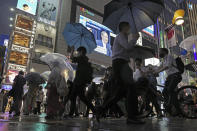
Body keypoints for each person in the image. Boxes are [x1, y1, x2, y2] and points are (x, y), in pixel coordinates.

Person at [96, 22, 144, 124]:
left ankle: (101, 109)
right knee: (131, 88)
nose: (130, 29)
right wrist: (135, 38)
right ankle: (132, 116)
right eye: (128, 27)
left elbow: (127, 51)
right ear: (124, 27)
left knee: (120, 93)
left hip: (120, 63)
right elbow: (127, 47)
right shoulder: (121, 36)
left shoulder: (123, 37)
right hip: (120, 63)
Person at [68, 47, 95, 117]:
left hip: (78, 81)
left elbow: (72, 59)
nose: (77, 53)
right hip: (81, 81)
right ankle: (94, 110)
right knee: (78, 97)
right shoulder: (85, 59)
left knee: (75, 97)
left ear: (81, 52)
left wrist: (72, 51)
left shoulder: (82, 58)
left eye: (78, 52)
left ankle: (94, 110)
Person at [154, 48, 182, 115]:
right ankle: (169, 105)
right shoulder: (164, 60)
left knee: (170, 90)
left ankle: (178, 109)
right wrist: (149, 71)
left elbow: (167, 66)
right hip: (170, 77)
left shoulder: (169, 56)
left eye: (160, 52)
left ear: (164, 52)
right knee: (164, 92)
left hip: (175, 75)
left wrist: (158, 71)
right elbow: (158, 67)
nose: (159, 53)